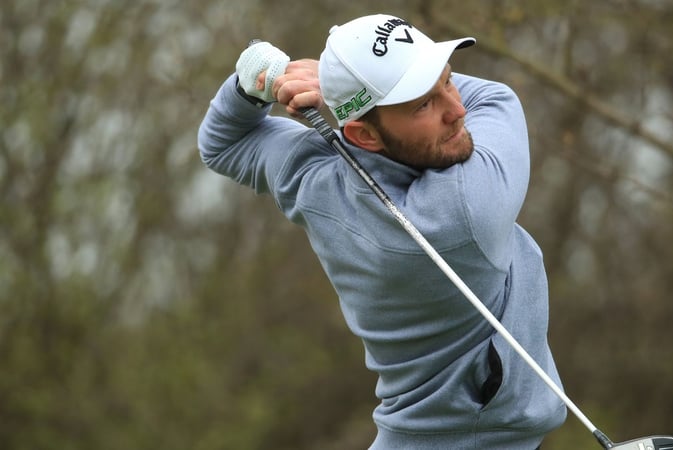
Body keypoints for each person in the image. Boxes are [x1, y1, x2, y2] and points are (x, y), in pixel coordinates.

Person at [198, 13, 566, 449]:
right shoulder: (467, 210)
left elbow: (222, 144)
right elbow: (496, 97)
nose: (457, 110)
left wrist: (253, 82)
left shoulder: (314, 179)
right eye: (423, 104)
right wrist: (337, 87)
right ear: (364, 135)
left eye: (447, 81)